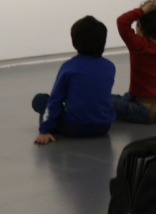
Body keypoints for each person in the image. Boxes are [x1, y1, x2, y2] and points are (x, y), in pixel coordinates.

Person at [31, 16, 116, 145]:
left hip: (75, 128)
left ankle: (52, 125)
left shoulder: (69, 67)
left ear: (74, 42)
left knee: (40, 100)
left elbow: (55, 100)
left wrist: (44, 130)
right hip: (104, 127)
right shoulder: (110, 67)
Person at [114, 0, 156, 125]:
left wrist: (144, 10)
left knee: (103, 100)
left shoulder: (139, 46)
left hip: (144, 112)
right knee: (122, 97)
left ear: (140, 27)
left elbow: (122, 21)